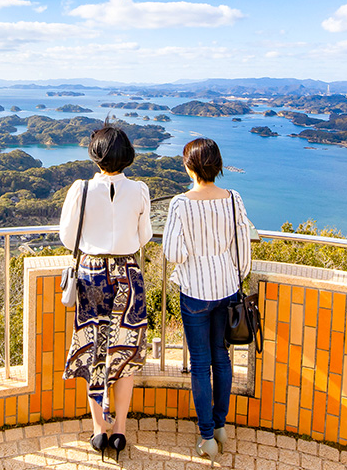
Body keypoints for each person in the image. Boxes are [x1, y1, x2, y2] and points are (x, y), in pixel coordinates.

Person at [58, 125, 152, 462]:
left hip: (92, 274)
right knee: (125, 353)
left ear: (95, 154)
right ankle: (121, 431)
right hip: (128, 274)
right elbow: (145, 236)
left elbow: (68, 238)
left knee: (94, 347)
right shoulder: (140, 190)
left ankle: (99, 429)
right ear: (126, 155)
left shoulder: (80, 189)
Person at [161, 138, 252, 463]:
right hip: (227, 287)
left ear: (190, 167)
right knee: (221, 358)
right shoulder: (233, 199)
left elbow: (173, 252)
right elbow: (242, 248)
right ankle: (221, 427)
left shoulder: (181, 204)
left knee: (200, 364)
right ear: (218, 166)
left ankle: (206, 436)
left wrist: (194, 256)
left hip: (195, 292)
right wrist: (232, 273)